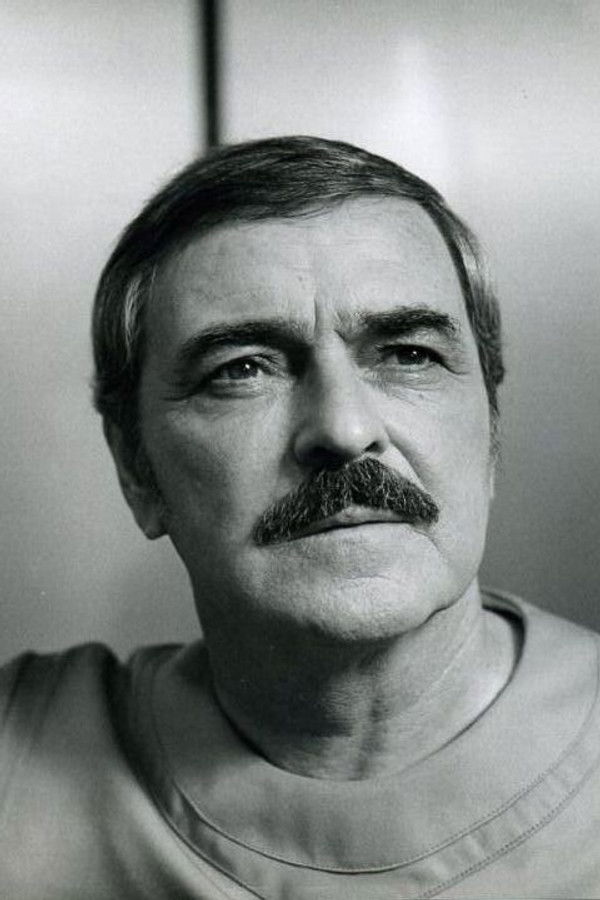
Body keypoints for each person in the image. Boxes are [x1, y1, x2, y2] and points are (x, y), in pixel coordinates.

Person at [0, 136, 598, 900]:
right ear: (136, 469)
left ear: (492, 432)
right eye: (242, 370)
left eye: (409, 354)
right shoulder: (19, 761)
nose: (344, 429)